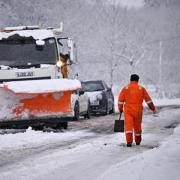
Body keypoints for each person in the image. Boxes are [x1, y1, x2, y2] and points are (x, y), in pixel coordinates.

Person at [118, 74, 156, 147]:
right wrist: (152, 108)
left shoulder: (125, 88)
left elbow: (120, 100)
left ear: (130, 80)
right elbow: (148, 100)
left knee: (128, 126)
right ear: (138, 80)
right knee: (137, 126)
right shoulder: (141, 88)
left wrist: (120, 108)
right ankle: (138, 141)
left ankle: (129, 142)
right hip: (138, 110)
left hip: (128, 110)